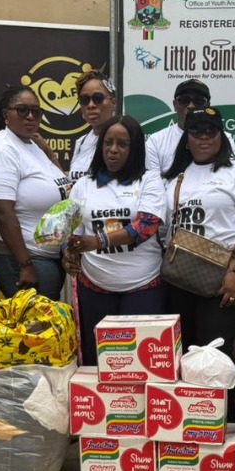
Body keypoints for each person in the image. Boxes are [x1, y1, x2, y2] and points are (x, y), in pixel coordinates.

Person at [162, 107, 235, 364]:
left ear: (222, 136)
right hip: (178, 279)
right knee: (180, 357)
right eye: (196, 131)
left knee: (213, 359)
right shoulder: (174, 177)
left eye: (211, 131)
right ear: (186, 138)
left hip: (223, 279)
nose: (204, 137)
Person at [63, 115, 166, 365]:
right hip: (94, 287)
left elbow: (146, 225)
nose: (113, 150)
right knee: (99, 363)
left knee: (139, 364)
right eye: (108, 142)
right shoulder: (83, 185)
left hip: (142, 286)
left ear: (135, 148)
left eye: (122, 144)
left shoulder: (149, 179)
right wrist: (68, 253)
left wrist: (96, 242)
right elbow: (72, 232)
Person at [0, 85, 71, 300]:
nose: (30, 116)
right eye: (22, 110)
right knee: (33, 321)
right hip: (23, 259)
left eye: (36, 111)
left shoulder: (32, 145)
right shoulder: (1, 149)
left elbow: (64, 187)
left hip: (47, 256)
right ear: (6, 114)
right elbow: (1, 211)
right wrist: (25, 264)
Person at [145, 79, 235, 175]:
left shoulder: (223, 138)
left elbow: (227, 175)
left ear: (208, 106)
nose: (191, 106)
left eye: (198, 101)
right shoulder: (156, 141)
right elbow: (152, 180)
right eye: (184, 100)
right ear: (175, 105)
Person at [68, 70, 118, 183]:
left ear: (113, 103)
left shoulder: (127, 140)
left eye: (98, 98)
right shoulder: (81, 142)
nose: (91, 105)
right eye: (84, 100)